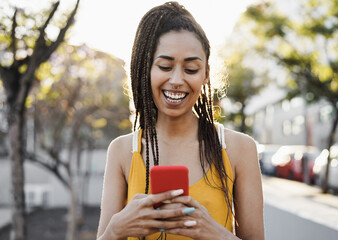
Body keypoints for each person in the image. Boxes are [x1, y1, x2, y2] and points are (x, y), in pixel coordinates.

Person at [96, 2, 264, 239]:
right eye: (165, 66)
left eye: (191, 69)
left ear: (206, 73)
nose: (176, 80)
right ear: (145, 70)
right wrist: (116, 229)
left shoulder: (239, 149)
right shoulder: (122, 151)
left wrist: (216, 233)